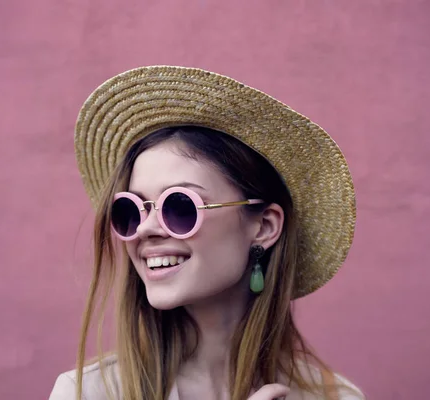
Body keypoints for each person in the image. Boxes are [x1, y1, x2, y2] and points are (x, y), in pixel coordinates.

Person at [49, 66, 364, 400]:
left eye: (180, 206)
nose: (146, 229)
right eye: (131, 211)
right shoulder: (86, 394)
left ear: (265, 226)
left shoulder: (336, 397)